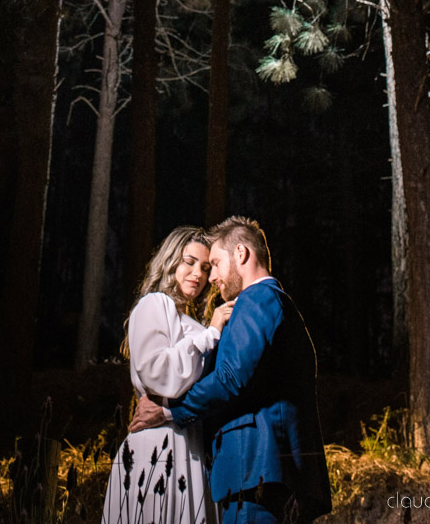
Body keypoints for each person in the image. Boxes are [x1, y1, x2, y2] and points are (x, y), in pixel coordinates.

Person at [129, 216, 331, 524]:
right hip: (258, 473)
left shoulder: (258, 298)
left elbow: (230, 378)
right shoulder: (269, 302)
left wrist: (169, 410)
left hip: (258, 469)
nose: (210, 277)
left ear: (241, 254)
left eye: (216, 263)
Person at [102, 226, 234, 524]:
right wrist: (210, 334)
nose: (197, 274)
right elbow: (159, 375)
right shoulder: (154, 303)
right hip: (158, 445)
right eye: (188, 262)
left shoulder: (190, 320)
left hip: (189, 443)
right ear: (170, 260)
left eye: (204, 267)